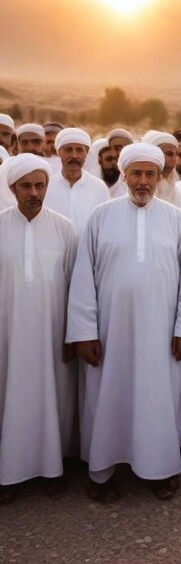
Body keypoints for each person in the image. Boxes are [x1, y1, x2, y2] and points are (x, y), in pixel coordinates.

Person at [66, 143, 181, 503]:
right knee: (107, 396)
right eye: (137, 174)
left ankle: (158, 469)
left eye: (150, 174)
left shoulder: (176, 219)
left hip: (161, 335)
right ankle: (102, 471)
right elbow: (83, 280)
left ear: (160, 176)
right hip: (111, 334)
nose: (143, 182)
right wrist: (84, 333)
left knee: (159, 399)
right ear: (124, 175)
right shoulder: (101, 216)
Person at [0, 154, 77, 504]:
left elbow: (77, 286)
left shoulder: (64, 228)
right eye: (26, 186)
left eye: (40, 185)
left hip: (52, 332)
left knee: (52, 399)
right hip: (7, 334)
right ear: (12, 188)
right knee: (8, 398)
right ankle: (9, 473)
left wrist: (74, 333)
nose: (34, 192)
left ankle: (51, 468)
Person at [45, 128, 110, 238]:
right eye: (68, 150)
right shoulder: (46, 187)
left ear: (86, 153)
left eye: (79, 150)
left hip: (87, 253)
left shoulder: (99, 187)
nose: (74, 155)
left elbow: (107, 225)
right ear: (59, 152)